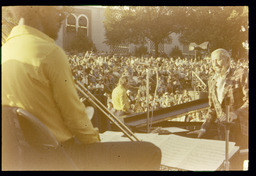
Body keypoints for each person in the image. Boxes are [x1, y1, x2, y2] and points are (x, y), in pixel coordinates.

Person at [2, 6, 161, 170]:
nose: (62, 18)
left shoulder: (5, 51)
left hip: (29, 154)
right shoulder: (49, 53)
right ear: (42, 9)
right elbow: (76, 120)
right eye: (59, 11)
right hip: (61, 155)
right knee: (150, 152)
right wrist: (97, 144)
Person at [188, 48, 248, 148]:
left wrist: (235, 114)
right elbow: (212, 109)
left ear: (228, 60)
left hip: (241, 131)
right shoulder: (211, 80)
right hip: (223, 134)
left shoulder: (241, 74)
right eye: (213, 61)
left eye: (218, 60)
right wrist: (204, 128)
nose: (215, 64)